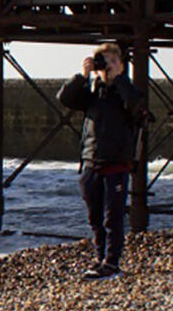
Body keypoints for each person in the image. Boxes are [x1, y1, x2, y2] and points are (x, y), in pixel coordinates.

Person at [57, 42, 149, 281]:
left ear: (121, 65)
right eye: (104, 62)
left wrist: (118, 78)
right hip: (90, 163)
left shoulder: (127, 92)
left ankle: (112, 263)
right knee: (94, 217)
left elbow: (135, 104)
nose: (108, 67)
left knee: (112, 217)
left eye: (114, 61)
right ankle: (100, 258)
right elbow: (64, 97)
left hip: (116, 164)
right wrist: (83, 76)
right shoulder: (92, 96)